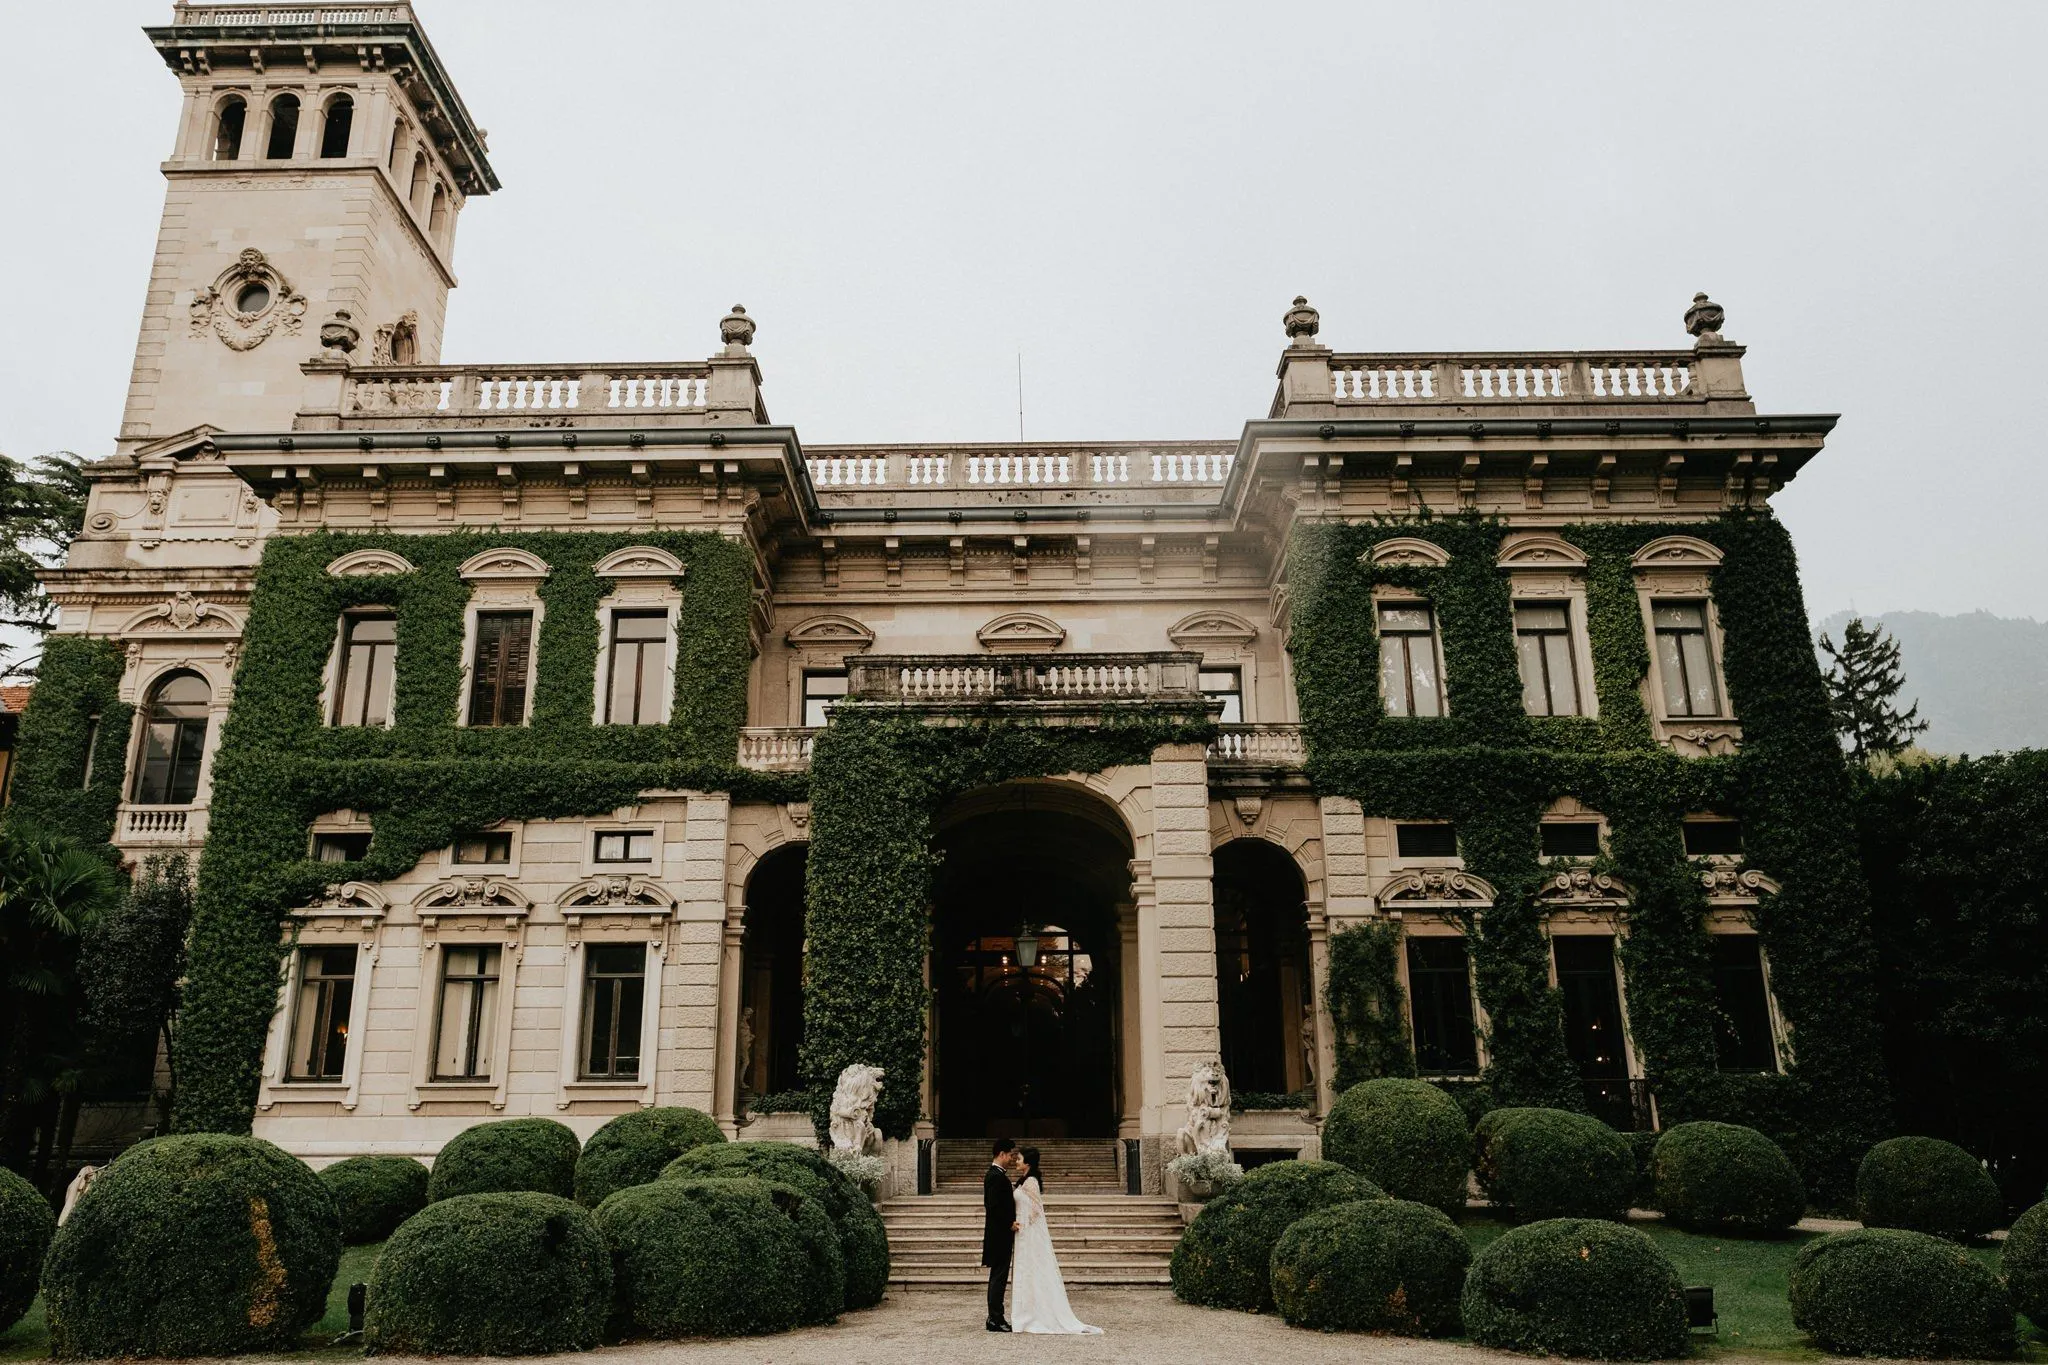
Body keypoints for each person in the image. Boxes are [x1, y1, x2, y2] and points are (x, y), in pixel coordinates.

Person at [1009, 1145, 1103, 1334]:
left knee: (1031, 1269)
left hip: (1028, 1233)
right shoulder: (1023, 1181)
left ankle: (1033, 1314)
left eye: (1018, 1158)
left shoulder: (1031, 1182)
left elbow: (1037, 1210)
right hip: (1021, 1232)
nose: (1016, 1161)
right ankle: (1025, 1312)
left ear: (1027, 1161)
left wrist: (1023, 1224)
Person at [981, 1138, 1022, 1331]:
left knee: (998, 1276)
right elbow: (993, 1206)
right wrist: (1009, 1223)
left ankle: (995, 1317)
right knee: (998, 1277)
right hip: (999, 1236)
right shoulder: (995, 1176)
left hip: (999, 1235)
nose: (1012, 1158)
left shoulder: (997, 1175)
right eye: (1010, 1155)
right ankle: (995, 1319)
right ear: (1001, 1154)